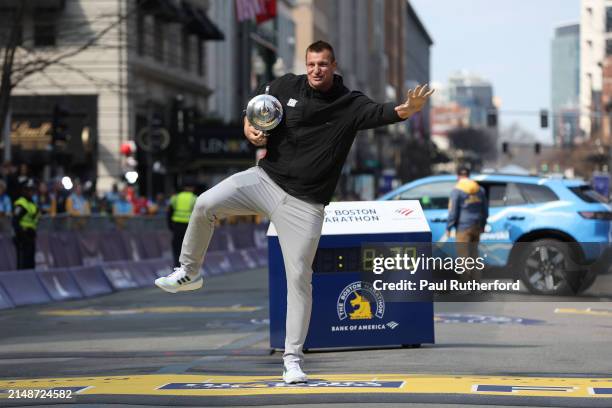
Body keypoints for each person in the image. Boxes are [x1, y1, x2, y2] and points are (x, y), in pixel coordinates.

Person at [155, 41, 433, 384]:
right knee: (205, 203)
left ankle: (292, 360)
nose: (317, 70)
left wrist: (410, 107)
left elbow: (386, 112)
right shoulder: (286, 84)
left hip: (305, 204)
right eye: (312, 64)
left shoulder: (350, 104)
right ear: (307, 64)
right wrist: (249, 127)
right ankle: (188, 271)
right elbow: (256, 106)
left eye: (323, 64)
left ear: (334, 66)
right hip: (265, 180)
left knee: (300, 280)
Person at [446, 167, 489, 281]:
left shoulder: (457, 190)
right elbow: (485, 210)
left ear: (458, 176)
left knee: (463, 257)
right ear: (469, 175)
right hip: (477, 226)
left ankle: (465, 283)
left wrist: (449, 227)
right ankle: (476, 282)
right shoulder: (479, 189)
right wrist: (483, 225)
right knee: (474, 255)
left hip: (463, 227)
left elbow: (453, 211)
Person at [167, 183, 197, 267]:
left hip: (176, 226)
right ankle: (186, 266)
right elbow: (197, 214)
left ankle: (176, 265)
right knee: (188, 247)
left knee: (176, 246)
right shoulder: (194, 198)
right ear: (192, 188)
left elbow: (169, 212)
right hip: (189, 226)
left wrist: (170, 225)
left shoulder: (175, 198)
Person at [12, 179, 40, 269]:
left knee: (30, 263)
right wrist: (21, 235)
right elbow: (15, 221)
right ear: (24, 190)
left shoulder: (32, 203)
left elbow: (34, 219)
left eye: (32, 190)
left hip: (30, 236)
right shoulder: (21, 203)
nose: (31, 192)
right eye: (29, 190)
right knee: (22, 263)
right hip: (22, 237)